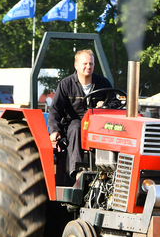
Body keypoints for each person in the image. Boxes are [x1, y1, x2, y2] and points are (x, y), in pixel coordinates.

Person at [48, 49, 114, 178]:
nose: (88, 67)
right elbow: (55, 109)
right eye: (85, 63)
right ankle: (78, 169)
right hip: (74, 122)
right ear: (76, 65)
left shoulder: (103, 83)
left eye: (91, 64)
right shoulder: (66, 84)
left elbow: (116, 103)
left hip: (98, 123)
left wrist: (107, 105)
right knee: (77, 127)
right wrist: (55, 130)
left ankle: (110, 169)